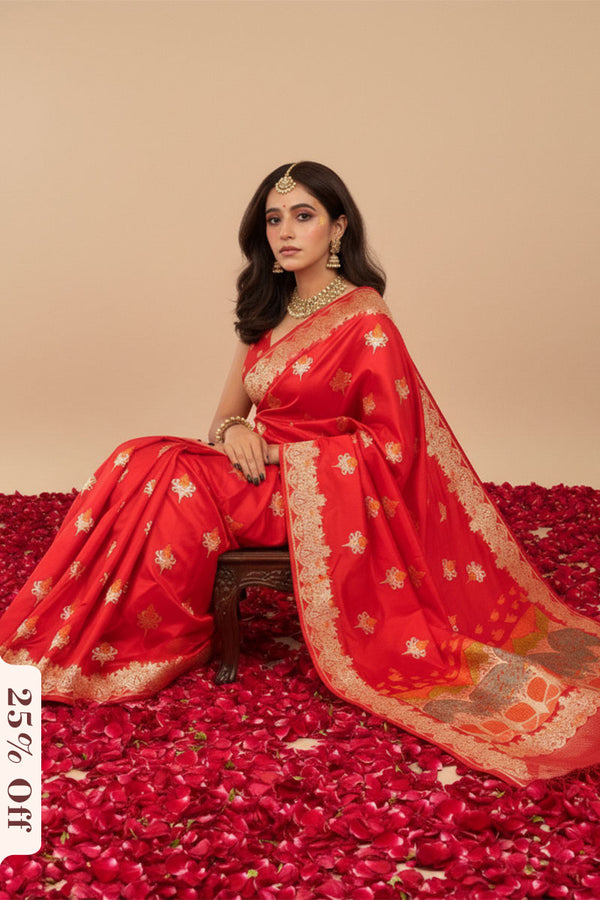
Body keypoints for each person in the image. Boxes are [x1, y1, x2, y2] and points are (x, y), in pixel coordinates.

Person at [1, 161, 599, 786]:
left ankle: (129, 643)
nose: (285, 231)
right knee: (141, 457)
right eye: (274, 219)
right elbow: (225, 419)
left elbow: (394, 446)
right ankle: (84, 637)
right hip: (256, 477)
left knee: (164, 470)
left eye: (304, 216)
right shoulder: (267, 309)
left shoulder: (366, 319)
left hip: (312, 495)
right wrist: (236, 433)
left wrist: (294, 458)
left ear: (337, 228)